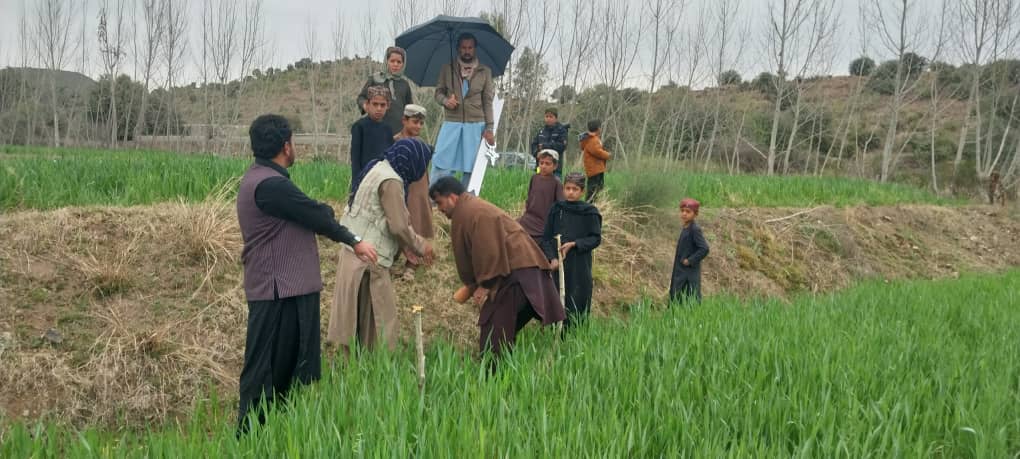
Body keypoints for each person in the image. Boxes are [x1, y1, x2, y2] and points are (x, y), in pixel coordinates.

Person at [236, 114, 378, 434]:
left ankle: (274, 434)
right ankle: (251, 437)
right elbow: (317, 214)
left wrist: (320, 213)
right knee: (268, 370)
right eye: (294, 142)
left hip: (284, 289)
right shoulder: (271, 185)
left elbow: (310, 212)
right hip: (279, 290)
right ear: (286, 146)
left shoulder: (265, 179)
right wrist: (353, 240)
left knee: (282, 369)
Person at [429, 176, 565, 362]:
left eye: (440, 203)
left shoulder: (473, 211)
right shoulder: (468, 209)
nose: (440, 209)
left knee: (494, 331)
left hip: (520, 270)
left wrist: (485, 283)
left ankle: (494, 379)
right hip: (516, 269)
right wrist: (475, 283)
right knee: (500, 329)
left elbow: (488, 248)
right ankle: (501, 376)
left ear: (452, 197)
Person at [328, 138, 435, 354]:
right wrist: (421, 247)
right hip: (370, 258)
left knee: (354, 318)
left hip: (354, 250)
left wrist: (403, 246)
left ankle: (354, 367)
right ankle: (375, 369)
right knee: (379, 324)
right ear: (412, 161)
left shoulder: (378, 167)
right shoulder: (392, 181)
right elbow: (399, 226)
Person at [430, 33, 495, 186]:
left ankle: (467, 200)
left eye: (470, 47)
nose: (467, 51)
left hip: (476, 124)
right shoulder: (447, 69)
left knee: (472, 167)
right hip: (452, 122)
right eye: (464, 47)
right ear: (458, 48)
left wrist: (490, 127)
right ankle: (435, 197)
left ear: (474, 49)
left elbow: (488, 101)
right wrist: (446, 101)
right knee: (441, 161)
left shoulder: (485, 71)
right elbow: (438, 93)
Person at [541, 172, 602, 330]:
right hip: (559, 265)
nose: (571, 192)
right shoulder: (557, 209)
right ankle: (554, 332)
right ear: (563, 189)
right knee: (557, 300)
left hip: (579, 265)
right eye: (567, 188)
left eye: (575, 189)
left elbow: (595, 238)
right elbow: (546, 238)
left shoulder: (590, 212)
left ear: (582, 191)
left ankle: (576, 335)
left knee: (578, 298)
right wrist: (552, 258)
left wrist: (575, 244)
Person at [393, 104, 435, 280]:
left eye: (421, 123)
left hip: (417, 189)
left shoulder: (422, 146)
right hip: (397, 187)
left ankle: (412, 264)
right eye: (415, 122)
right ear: (404, 120)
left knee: (416, 222)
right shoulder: (394, 141)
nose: (418, 126)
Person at [356, 46, 414, 134]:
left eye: (399, 62)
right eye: (392, 61)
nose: (395, 64)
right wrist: (366, 106)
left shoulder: (404, 84)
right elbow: (361, 97)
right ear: (387, 61)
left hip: (398, 132)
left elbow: (409, 108)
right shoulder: (375, 79)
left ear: (403, 64)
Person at [518, 149, 564, 246]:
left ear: (555, 166)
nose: (543, 166)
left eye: (547, 164)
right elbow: (529, 197)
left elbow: (560, 205)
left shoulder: (556, 183)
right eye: (541, 163)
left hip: (543, 222)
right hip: (529, 218)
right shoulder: (534, 178)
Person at [669, 198, 710, 306]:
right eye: (682, 211)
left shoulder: (694, 229)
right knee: (676, 298)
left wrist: (690, 260)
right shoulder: (686, 227)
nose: (684, 214)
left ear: (695, 214)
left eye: (688, 212)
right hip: (680, 270)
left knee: (688, 299)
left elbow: (704, 248)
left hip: (689, 272)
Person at [350, 85, 394, 184]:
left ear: (388, 106)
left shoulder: (388, 129)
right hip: (365, 178)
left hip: (383, 178)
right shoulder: (359, 127)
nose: (379, 108)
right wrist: (357, 182)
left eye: (382, 105)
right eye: (375, 104)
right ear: (367, 104)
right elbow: (355, 159)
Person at [529, 107, 569, 178]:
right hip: (540, 167)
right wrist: (536, 153)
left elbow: (562, 146)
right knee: (538, 186)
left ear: (556, 118)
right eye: (546, 116)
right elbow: (534, 145)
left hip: (556, 169)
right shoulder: (541, 131)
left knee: (554, 187)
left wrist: (545, 146)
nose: (548, 119)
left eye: (551, 117)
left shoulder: (562, 130)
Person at [579, 120, 611, 202]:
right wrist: (607, 155)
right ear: (598, 128)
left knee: (597, 188)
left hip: (595, 169)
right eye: (600, 127)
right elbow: (597, 151)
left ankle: (595, 203)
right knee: (593, 189)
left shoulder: (589, 138)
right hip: (595, 169)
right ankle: (589, 204)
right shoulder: (592, 139)